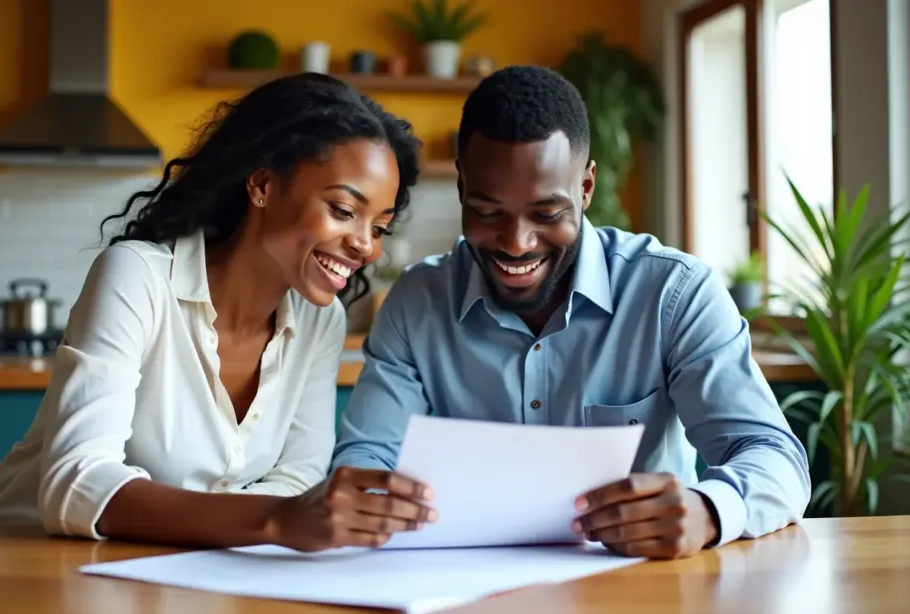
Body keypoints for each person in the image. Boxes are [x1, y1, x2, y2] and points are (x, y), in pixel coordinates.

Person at [332, 65, 812, 559]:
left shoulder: (674, 295)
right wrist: (373, 504)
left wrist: (710, 511)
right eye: (489, 211)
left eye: (546, 214)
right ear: (460, 188)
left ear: (585, 188)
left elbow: (773, 456)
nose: (517, 244)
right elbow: (365, 460)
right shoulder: (417, 302)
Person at [0, 73, 438, 552]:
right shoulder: (138, 278)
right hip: (17, 566)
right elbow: (75, 482)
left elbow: (298, 478)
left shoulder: (321, 321)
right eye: (341, 209)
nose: (365, 245)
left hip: (164, 576)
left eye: (380, 228)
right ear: (263, 185)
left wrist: (281, 517)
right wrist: (273, 519)